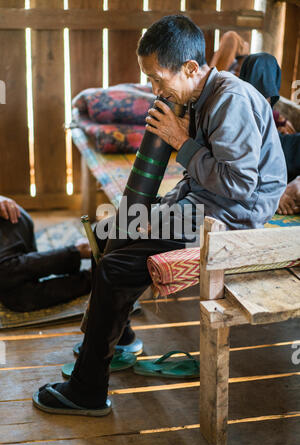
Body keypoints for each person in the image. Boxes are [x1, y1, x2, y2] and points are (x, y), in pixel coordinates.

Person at [32, 14, 287, 417]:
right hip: (204, 203)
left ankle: (88, 389)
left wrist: (180, 142)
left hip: (233, 218)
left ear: (190, 69)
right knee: (106, 231)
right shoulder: (198, 96)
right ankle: (122, 338)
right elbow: (202, 179)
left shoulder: (231, 99)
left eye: (156, 79)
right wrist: (165, 206)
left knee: (116, 267)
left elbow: (238, 187)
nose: (154, 90)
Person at [0, 195, 93, 312]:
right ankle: (88, 275)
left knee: (5, 270)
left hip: (9, 218)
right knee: (18, 297)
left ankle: (78, 253)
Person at [239, 52, 300, 215]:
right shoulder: (233, 117)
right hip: (258, 172)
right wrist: (273, 194)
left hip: (275, 157)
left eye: (266, 98)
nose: (262, 103)